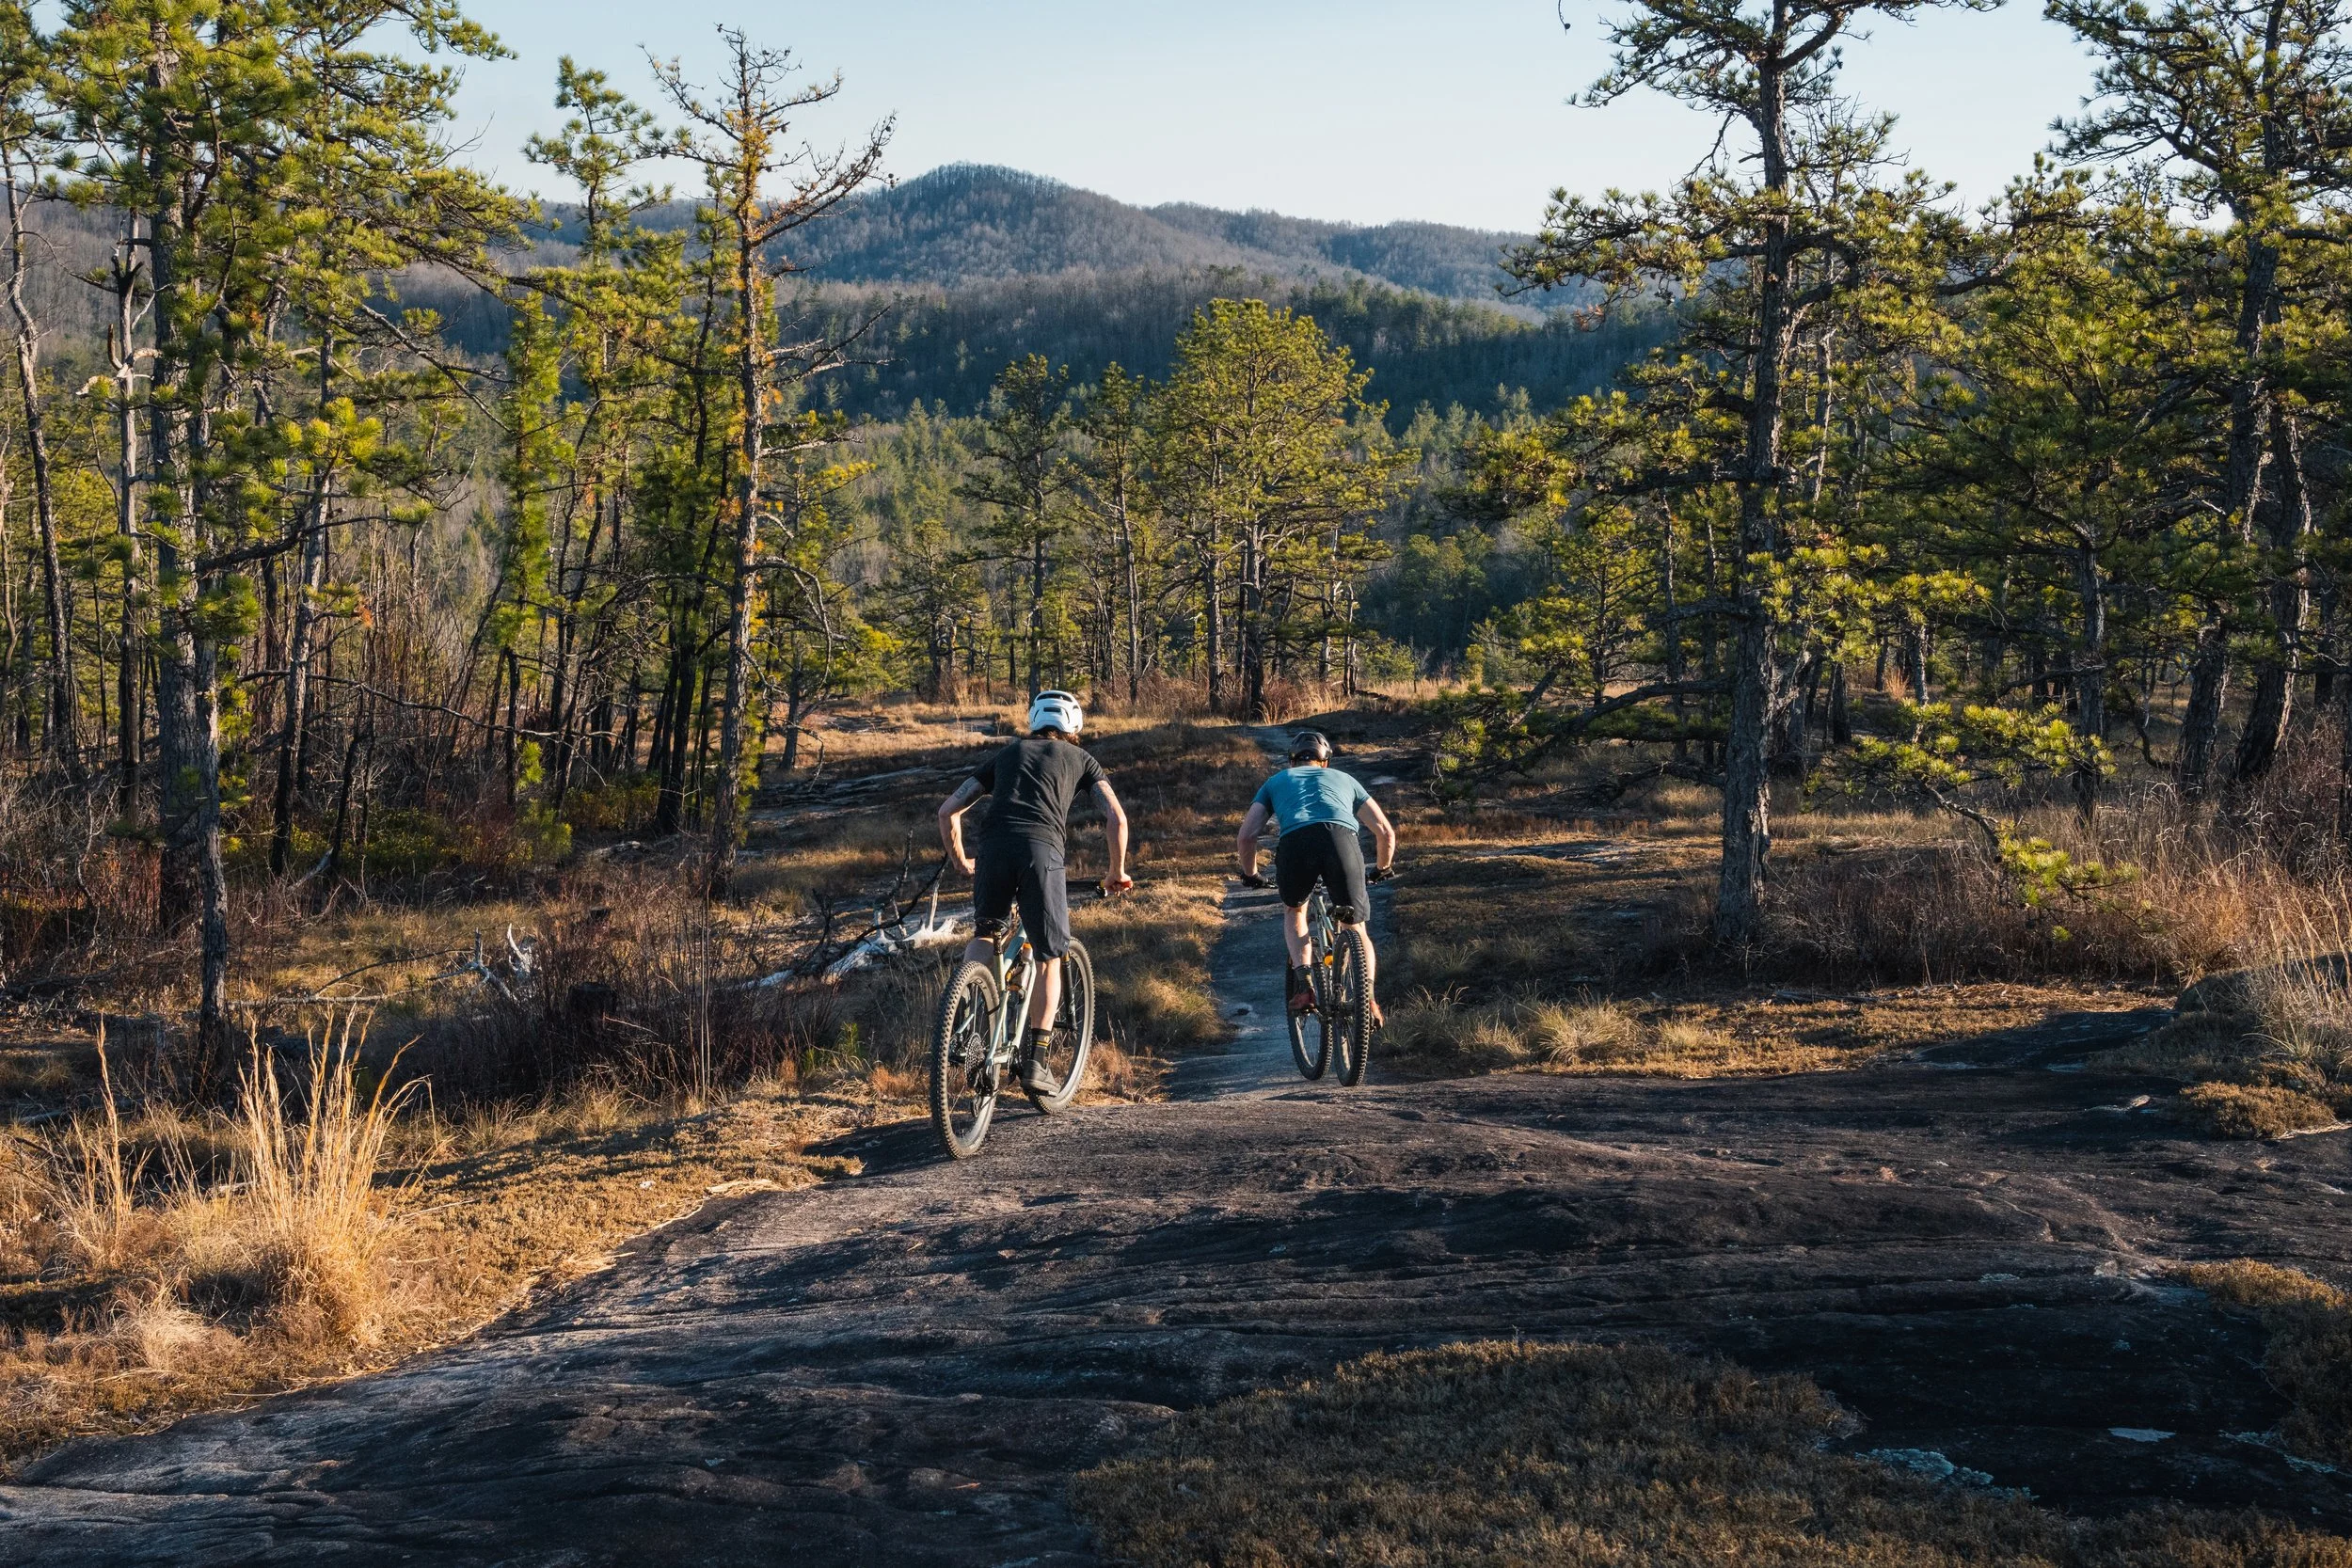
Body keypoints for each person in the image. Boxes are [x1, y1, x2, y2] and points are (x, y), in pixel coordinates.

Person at [938, 690, 1132, 1095]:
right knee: (1050, 959)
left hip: (992, 852)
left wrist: (961, 861)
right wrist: (1116, 871)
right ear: (1074, 726)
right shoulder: (1082, 760)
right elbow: (1115, 816)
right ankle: (1037, 1064)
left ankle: (969, 1024)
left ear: (1032, 721)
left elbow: (948, 810)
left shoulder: (1007, 755)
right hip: (1041, 855)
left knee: (985, 935)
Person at [1235, 729, 1395, 1023]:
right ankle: (1369, 1001)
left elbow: (1247, 837)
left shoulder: (1277, 781)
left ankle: (1305, 986)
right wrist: (1382, 868)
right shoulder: (1345, 779)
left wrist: (1251, 874)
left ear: (1292, 761)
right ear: (1326, 762)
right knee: (1356, 927)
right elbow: (1385, 832)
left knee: (1295, 911)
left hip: (1297, 844)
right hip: (1341, 842)